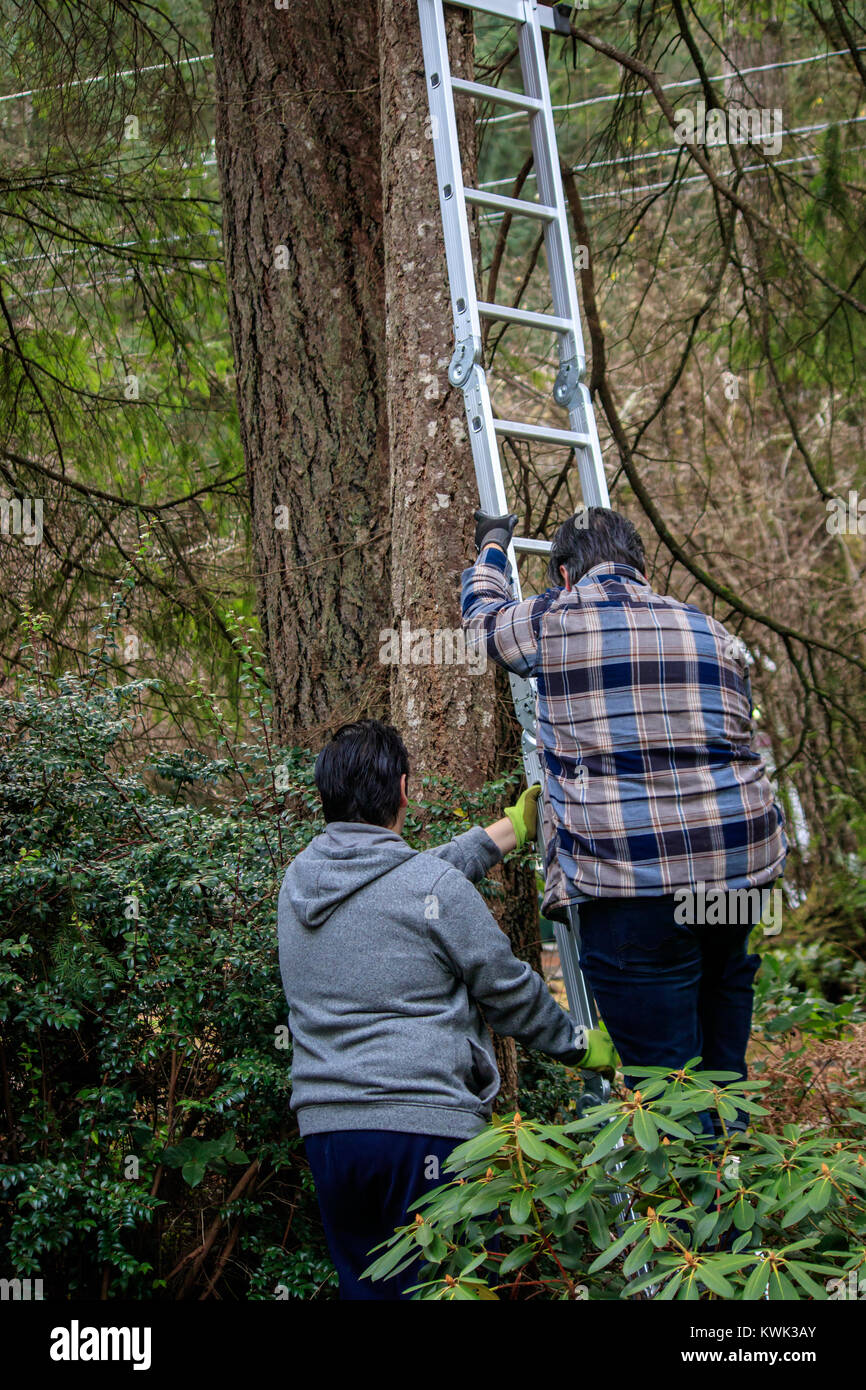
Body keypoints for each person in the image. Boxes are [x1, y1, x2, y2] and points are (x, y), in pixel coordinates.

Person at [461, 506, 787, 1133]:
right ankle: (740, 1195)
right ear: (642, 568)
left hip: (636, 893)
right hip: (741, 880)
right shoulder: (712, 631)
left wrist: (494, 547)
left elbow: (481, 624)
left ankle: (696, 1223)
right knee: (723, 1078)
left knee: (667, 1094)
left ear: (563, 575)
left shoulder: (555, 620)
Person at [277, 718, 616, 1300]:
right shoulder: (424, 885)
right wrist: (579, 1045)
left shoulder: (298, 883)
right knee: (447, 1288)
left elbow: (404, 886)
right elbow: (507, 989)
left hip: (330, 1134)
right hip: (424, 1130)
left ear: (325, 795)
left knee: (373, 1293)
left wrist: (506, 833)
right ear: (404, 789)